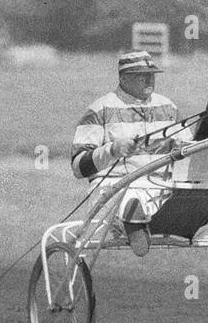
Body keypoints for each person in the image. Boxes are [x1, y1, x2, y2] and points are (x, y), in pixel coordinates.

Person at [70, 50, 192, 256]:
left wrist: (183, 147)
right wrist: (112, 150)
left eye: (152, 74)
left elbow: (188, 147)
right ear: (123, 78)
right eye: (140, 75)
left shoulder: (168, 106)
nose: (149, 79)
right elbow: (78, 167)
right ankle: (132, 221)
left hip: (161, 188)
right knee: (130, 199)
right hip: (115, 188)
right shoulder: (100, 109)